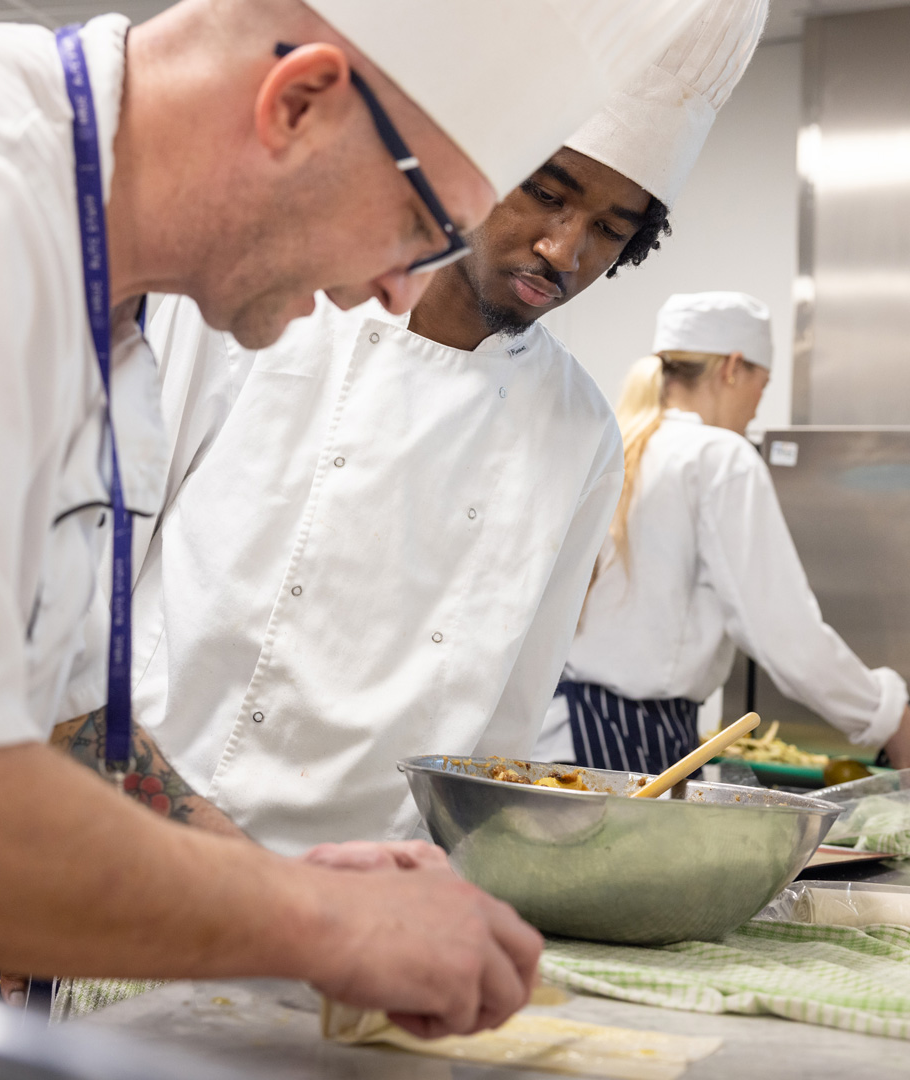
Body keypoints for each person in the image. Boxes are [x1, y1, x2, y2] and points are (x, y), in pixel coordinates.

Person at [0, 0, 711, 1042]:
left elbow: (72, 720)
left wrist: (307, 901)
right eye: (412, 223)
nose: (391, 286)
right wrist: (314, 923)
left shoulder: (105, 322)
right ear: (298, 105)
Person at [57, 0, 767, 858]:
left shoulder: (580, 431)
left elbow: (503, 736)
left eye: (612, 230)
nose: (563, 248)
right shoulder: (256, 308)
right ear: (477, 159)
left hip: (382, 886)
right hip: (145, 842)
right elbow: (84, 597)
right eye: (547, 193)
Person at [535, 292, 910, 774]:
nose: (757, 406)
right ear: (732, 368)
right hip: (629, 740)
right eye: (762, 383)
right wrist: (887, 717)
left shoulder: (617, 443)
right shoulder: (719, 457)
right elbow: (785, 633)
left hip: (562, 731)